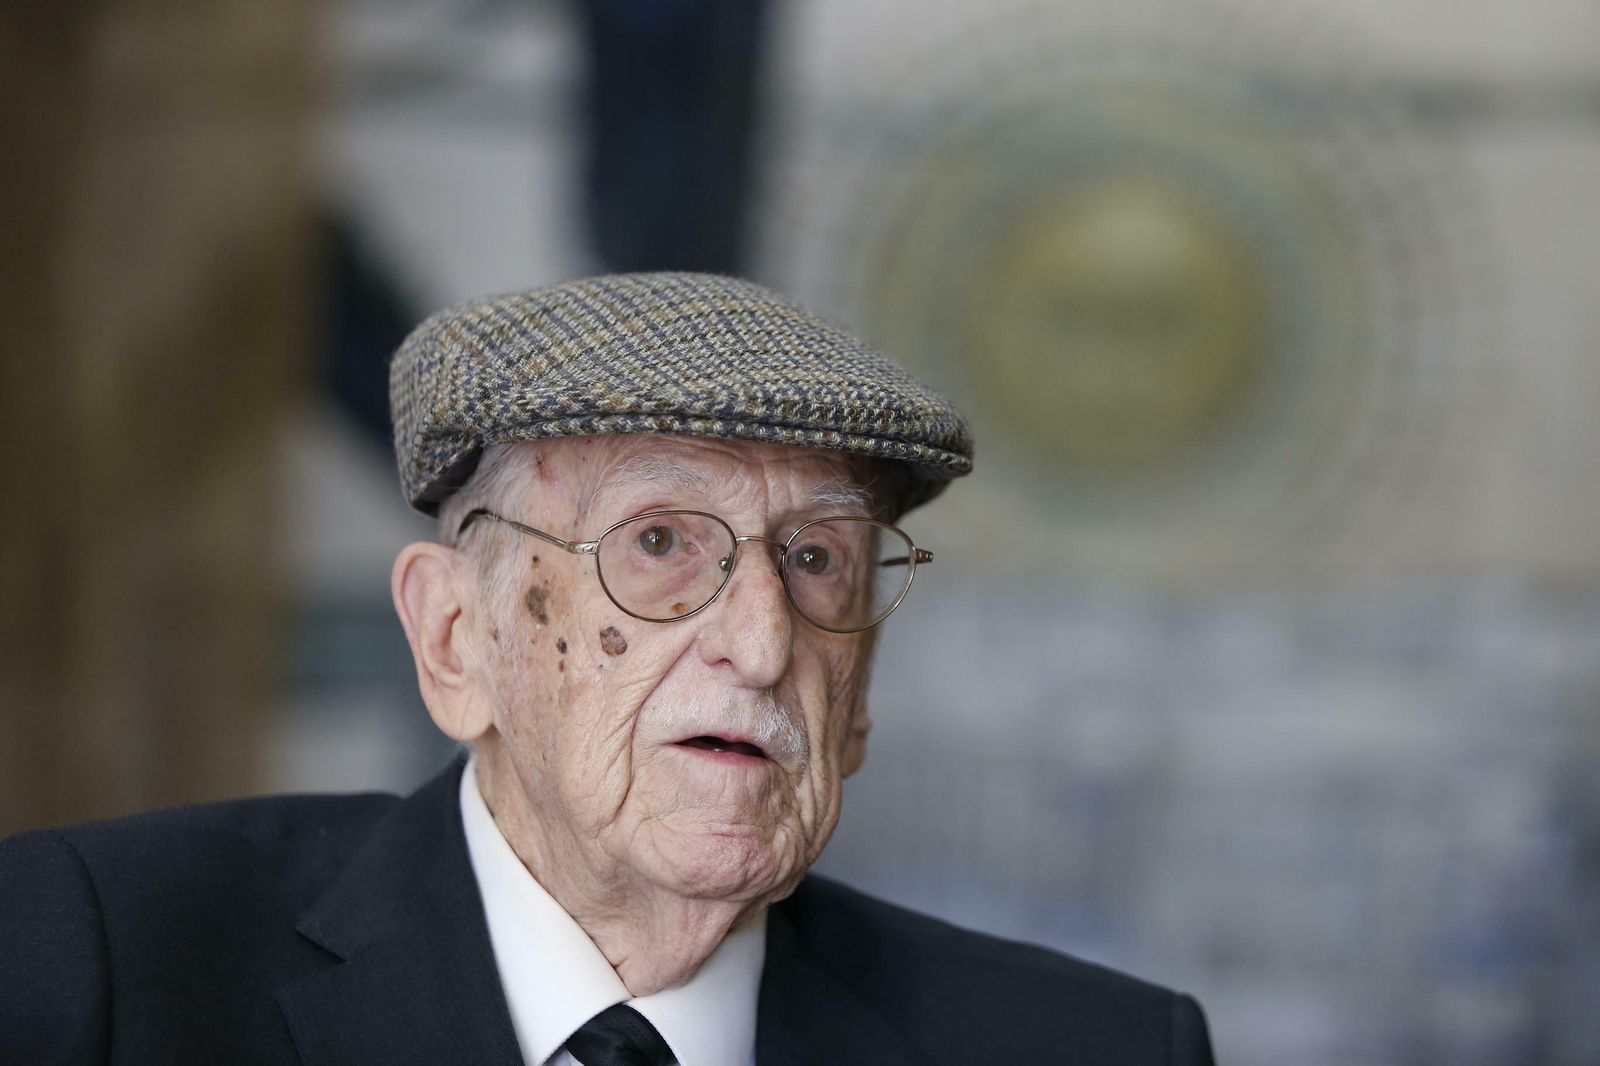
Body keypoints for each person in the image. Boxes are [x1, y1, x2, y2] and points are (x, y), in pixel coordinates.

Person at [0, 273, 1215, 1065]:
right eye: (658, 544)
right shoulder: (90, 962)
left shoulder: (1094, 1047)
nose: (762, 641)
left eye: (817, 560)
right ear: (453, 639)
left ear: (861, 688)